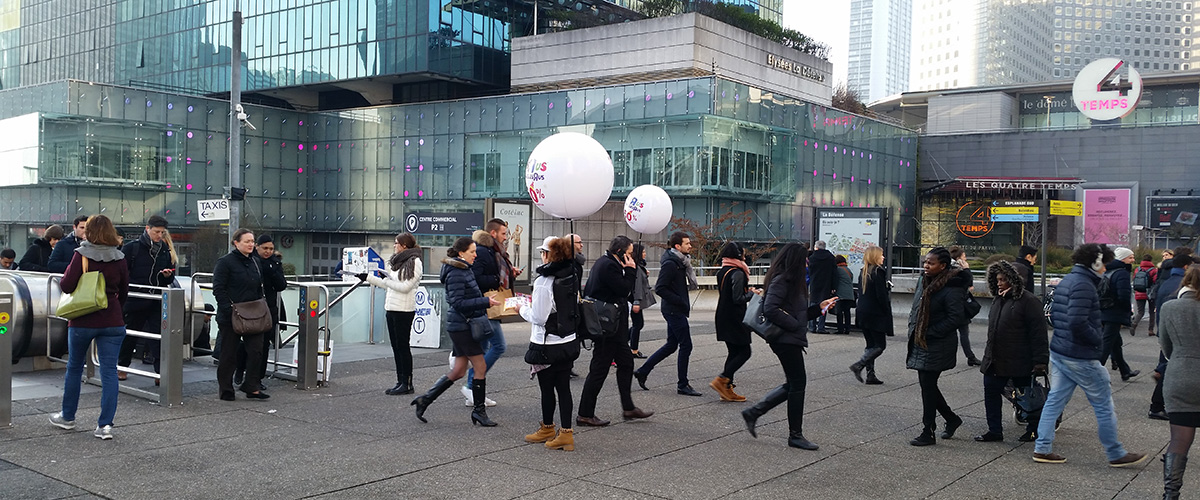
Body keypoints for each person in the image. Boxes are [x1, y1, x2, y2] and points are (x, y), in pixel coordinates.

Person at [1034, 243, 1147, 467]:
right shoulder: (1084, 285)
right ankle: (1115, 453)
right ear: (1095, 263)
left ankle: (1042, 448)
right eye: (1104, 263)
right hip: (1080, 354)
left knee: (1055, 400)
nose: (1106, 268)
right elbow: (1077, 322)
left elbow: (1055, 314)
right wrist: (1098, 338)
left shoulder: (1068, 280)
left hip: (1061, 349)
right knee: (1103, 404)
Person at [740, 242, 837, 450]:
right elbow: (771, 308)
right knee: (797, 383)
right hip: (784, 339)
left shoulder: (791, 280)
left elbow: (796, 313)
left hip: (788, 338)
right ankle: (794, 435)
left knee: (794, 383)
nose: (807, 263)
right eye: (804, 260)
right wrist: (794, 326)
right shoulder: (783, 279)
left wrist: (818, 309)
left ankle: (755, 412)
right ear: (796, 261)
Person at [47, 215, 129, 440]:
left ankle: (68, 417)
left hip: (83, 320)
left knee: (74, 367)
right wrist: (112, 309)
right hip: (112, 321)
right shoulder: (119, 257)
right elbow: (124, 292)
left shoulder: (80, 254)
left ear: (89, 232)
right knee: (110, 371)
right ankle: (105, 426)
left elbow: (66, 285)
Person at [412, 237, 500, 426]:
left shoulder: (462, 269)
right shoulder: (457, 272)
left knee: (459, 370)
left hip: (462, 325)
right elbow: (457, 302)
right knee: (480, 367)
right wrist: (485, 302)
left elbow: (462, 299)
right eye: (472, 252)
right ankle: (479, 412)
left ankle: (425, 400)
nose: (476, 255)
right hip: (463, 326)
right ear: (461, 253)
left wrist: (484, 300)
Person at [576, 235, 653, 427]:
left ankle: (628, 407)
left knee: (626, 364)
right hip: (606, 328)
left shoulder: (607, 262)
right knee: (599, 369)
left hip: (614, 328)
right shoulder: (608, 265)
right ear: (619, 252)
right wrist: (632, 271)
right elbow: (624, 290)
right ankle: (585, 414)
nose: (631, 257)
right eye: (628, 253)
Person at [974, 261, 1049, 443]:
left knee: (1028, 396)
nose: (999, 283)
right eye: (997, 279)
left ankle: (1034, 429)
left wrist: (1040, 361)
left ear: (1014, 280)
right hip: (995, 358)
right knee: (991, 391)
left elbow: (1038, 334)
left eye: (1003, 279)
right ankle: (994, 430)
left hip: (1020, 359)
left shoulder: (1029, 301)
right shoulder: (999, 300)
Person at [518, 236, 581, 451]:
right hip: (569, 340)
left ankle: (547, 427)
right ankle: (566, 433)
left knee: (547, 388)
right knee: (564, 388)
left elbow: (539, 317)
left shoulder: (544, 282)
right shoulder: (572, 274)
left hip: (547, 343)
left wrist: (521, 308)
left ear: (548, 254)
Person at [907, 247, 968, 446]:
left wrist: (928, 332)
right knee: (928, 385)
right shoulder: (924, 281)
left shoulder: (952, 287)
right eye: (925, 261)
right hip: (922, 340)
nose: (926, 265)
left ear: (943, 266)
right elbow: (917, 309)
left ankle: (928, 431)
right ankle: (951, 419)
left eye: (931, 263)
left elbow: (955, 318)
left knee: (928, 386)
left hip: (938, 343)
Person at [635, 231, 702, 396]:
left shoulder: (680, 262)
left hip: (675, 308)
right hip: (673, 310)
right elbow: (660, 288)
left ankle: (643, 371)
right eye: (687, 243)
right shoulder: (671, 264)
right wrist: (679, 299)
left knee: (672, 345)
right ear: (678, 246)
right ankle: (682, 385)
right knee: (686, 345)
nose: (690, 245)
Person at [1156, 264, 1200, 499]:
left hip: (1181, 376)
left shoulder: (1170, 308)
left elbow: (1166, 346)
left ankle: (1170, 494)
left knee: (1179, 439)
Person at [465, 218, 519, 406]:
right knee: (499, 346)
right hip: (487, 306)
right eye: (503, 233)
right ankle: (471, 383)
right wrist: (498, 277)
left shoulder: (494, 251)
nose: (506, 237)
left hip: (489, 306)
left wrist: (510, 272)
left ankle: (474, 390)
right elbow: (476, 279)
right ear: (493, 233)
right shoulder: (483, 251)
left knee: (484, 348)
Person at [213, 229, 271, 402]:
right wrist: (228, 310)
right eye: (247, 241)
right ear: (236, 243)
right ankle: (226, 389)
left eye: (252, 241)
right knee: (229, 354)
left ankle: (251, 385)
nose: (251, 244)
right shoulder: (225, 262)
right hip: (231, 315)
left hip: (254, 313)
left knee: (256, 351)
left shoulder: (255, 261)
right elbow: (218, 288)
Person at [117, 215, 174, 380]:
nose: (159, 235)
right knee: (130, 335)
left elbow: (169, 273)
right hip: (136, 297)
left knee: (159, 336)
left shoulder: (163, 248)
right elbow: (122, 272)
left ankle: (159, 372)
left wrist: (167, 275)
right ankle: (122, 366)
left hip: (156, 298)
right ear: (147, 229)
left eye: (162, 232)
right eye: (157, 232)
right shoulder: (132, 248)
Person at [365, 232, 423, 395]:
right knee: (396, 347)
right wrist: (368, 278)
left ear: (404, 245)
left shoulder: (414, 262)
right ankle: (400, 380)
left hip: (404, 310)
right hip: (391, 308)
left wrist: (389, 281)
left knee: (403, 346)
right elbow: (388, 284)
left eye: (396, 243)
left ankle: (408, 383)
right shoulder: (396, 262)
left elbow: (405, 287)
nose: (394, 245)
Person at [236, 234, 288, 391]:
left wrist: (272, 269)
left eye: (271, 249)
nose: (268, 252)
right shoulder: (250, 261)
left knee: (263, 346)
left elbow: (281, 285)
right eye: (265, 248)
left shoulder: (275, 263)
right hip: (249, 307)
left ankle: (257, 379)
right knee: (246, 343)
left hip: (267, 308)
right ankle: (240, 370)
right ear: (257, 247)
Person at [712, 241, 758, 402]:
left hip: (723, 315)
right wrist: (753, 293)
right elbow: (738, 298)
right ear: (738, 255)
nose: (745, 256)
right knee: (745, 352)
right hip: (735, 317)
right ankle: (722, 379)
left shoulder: (723, 271)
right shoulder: (737, 273)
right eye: (743, 253)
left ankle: (726, 388)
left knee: (734, 352)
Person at [1150, 249, 1193, 422]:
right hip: (1178, 336)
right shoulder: (1179, 286)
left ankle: (1159, 403)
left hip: (1167, 332)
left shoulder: (1167, 280)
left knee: (1166, 367)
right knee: (1168, 368)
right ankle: (1157, 405)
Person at [851, 245, 891, 385]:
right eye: (881, 255)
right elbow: (881, 296)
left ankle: (870, 375)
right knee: (880, 345)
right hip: (875, 313)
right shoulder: (878, 272)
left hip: (863, 312)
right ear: (875, 256)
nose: (883, 257)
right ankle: (859, 365)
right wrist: (886, 310)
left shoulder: (864, 271)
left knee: (870, 345)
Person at [1100, 247, 1139, 381]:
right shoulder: (1121, 273)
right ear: (1122, 258)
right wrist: (1127, 312)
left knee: (1115, 343)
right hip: (1115, 313)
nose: (1133, 260)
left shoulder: (1107, 271)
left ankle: (1125, 371)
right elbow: (1124, 295)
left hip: (1105, 310)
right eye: (1130, 257)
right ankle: (1095, 370)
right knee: (1107, 343)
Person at [948, 245, 981, 366]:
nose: (966, 258)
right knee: (963, 332)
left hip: (950, 304)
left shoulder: (947, 268)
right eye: (964, 256)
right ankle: (970, 357)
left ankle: (968, 356)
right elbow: (968, 285)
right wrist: (967, 269)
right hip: (959, 304)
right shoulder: (960, 270)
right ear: (959, 258)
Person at [806, 240, 836, 334]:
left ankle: (812, 326)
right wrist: (833, 286)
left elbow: (809, 271)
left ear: (816, 247)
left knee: (813, 303)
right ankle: (821, 327)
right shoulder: (830, 257)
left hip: (814, 283)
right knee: (824, 305)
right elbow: (834, 273)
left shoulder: (812, 257)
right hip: (826, 284)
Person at [629, 243, 653, 359]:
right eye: (643, 252)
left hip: (635, 300)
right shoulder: (637, 267)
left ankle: (625, 342)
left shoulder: (640, 266)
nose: (645, 254)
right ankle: (633, 349)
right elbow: (637, 285)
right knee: (638, 324)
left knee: (638, 324)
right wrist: (636, 301)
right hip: (635, 300)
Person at [1131, 254, 1158, 336]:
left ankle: (1134, 324)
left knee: (1140, 312)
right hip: (1150, 292)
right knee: (1151, 312)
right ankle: (1150, 330)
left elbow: (1134, 279)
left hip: (1139, 292)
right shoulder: (1153, 270)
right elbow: (1155, 281)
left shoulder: (1137, 269)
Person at [833, 255, 855, 335]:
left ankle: (840, 329)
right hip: (849, 294)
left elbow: (835, 280)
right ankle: (847, 328)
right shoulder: (848, 270)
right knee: (847, 312)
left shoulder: (838, 269)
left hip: (840, 293)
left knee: (839, 312)